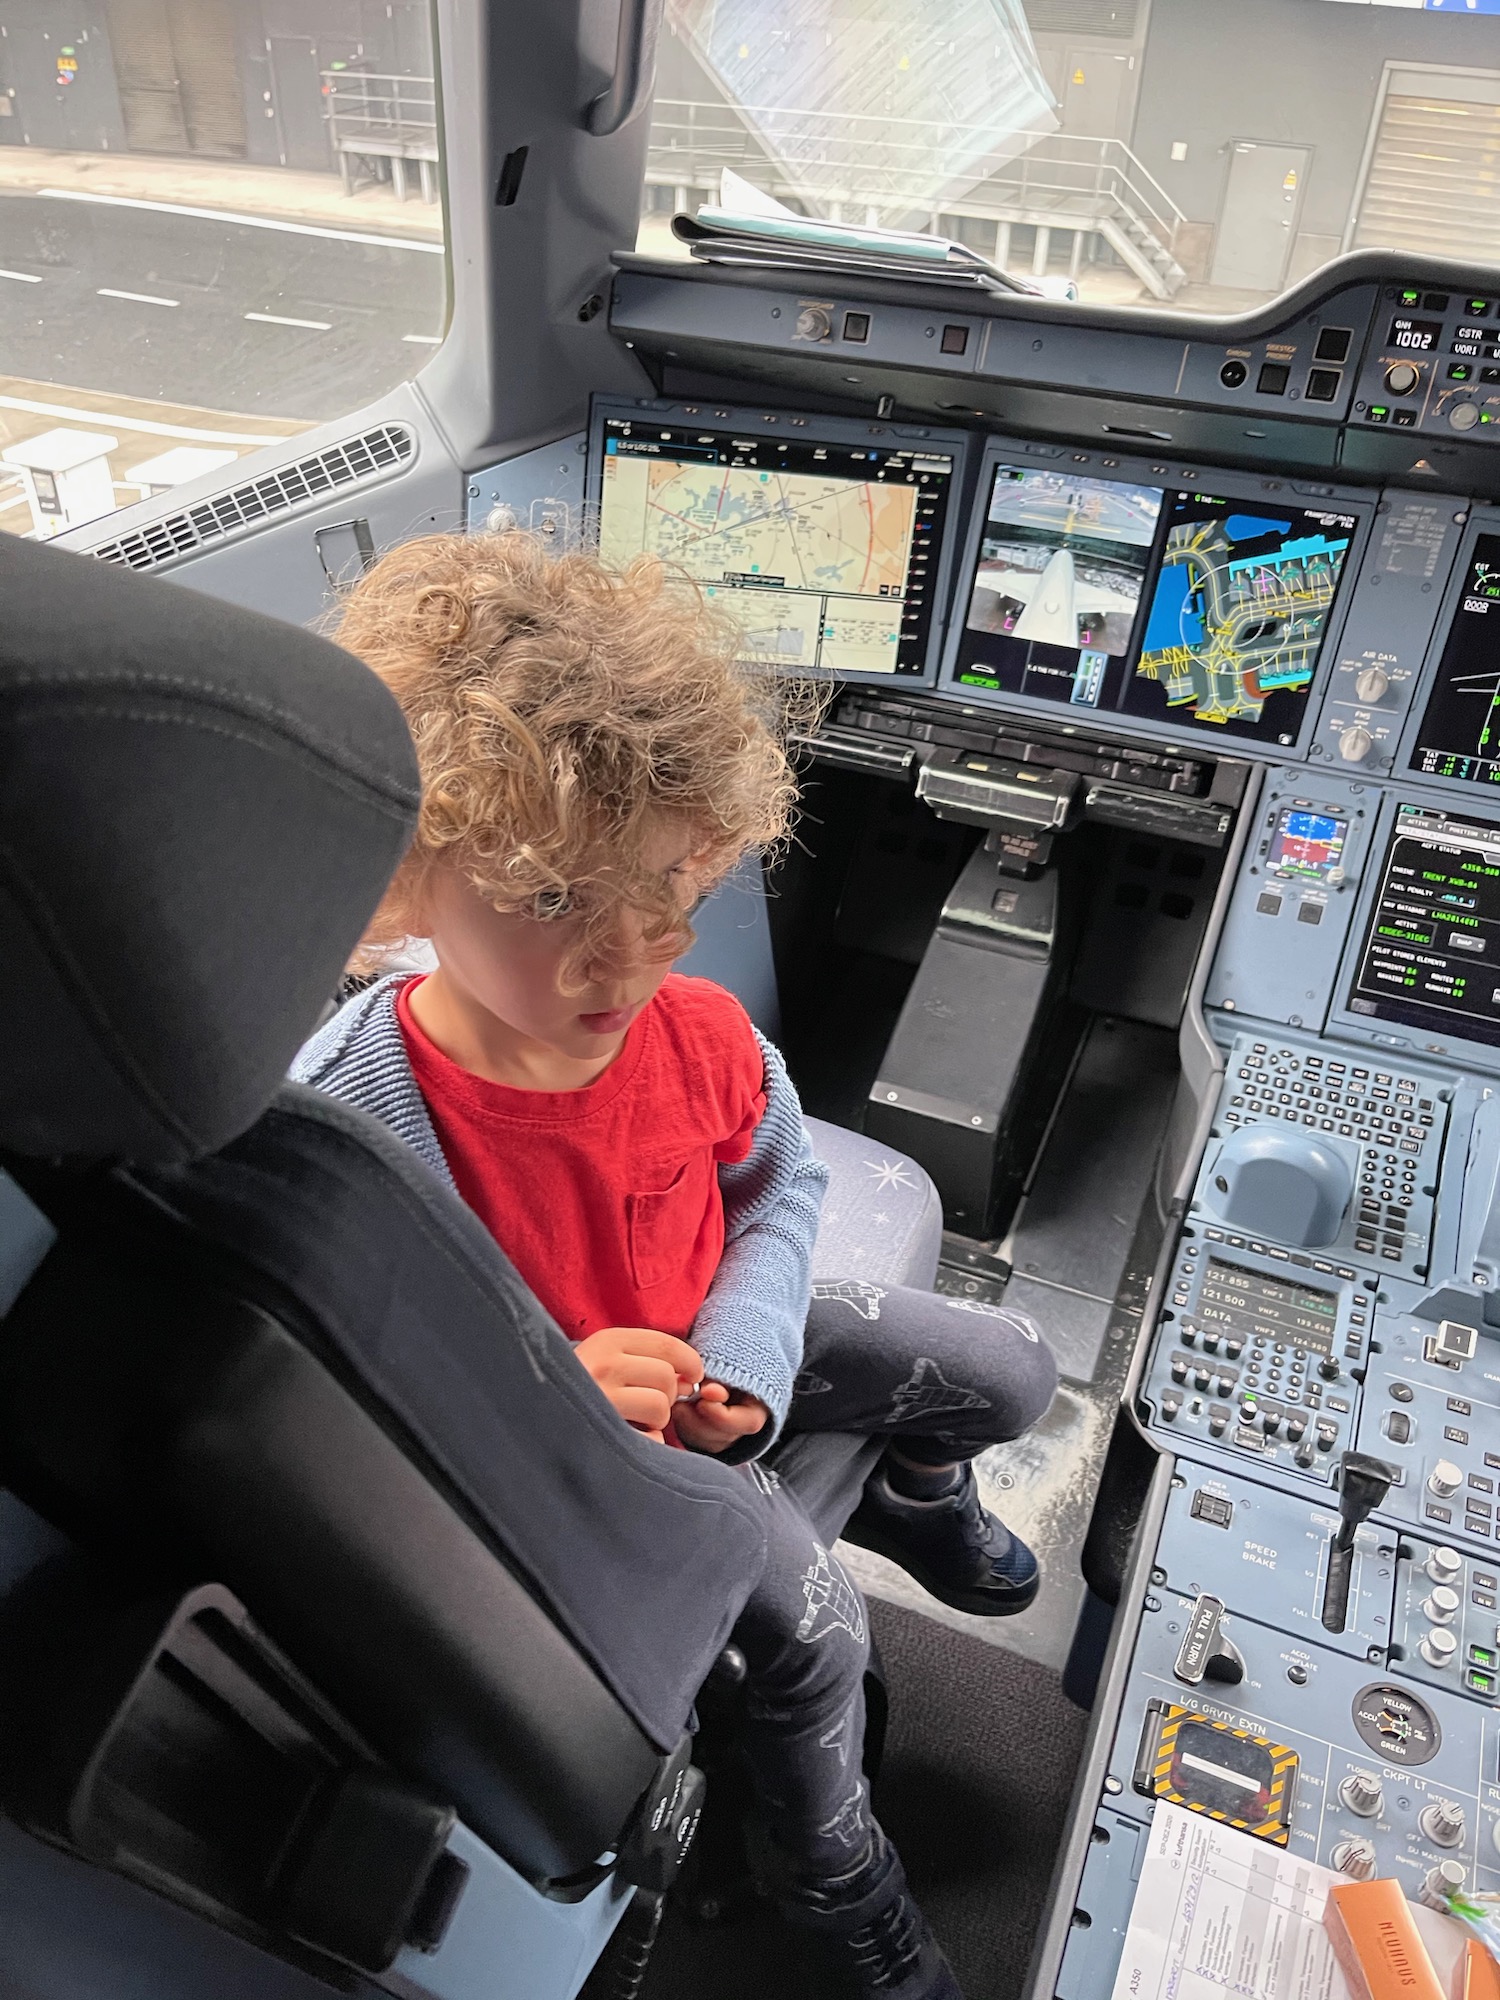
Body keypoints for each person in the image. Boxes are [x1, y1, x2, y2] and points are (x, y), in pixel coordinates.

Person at [293, 532, 1057, 2000]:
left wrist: (753, 1373)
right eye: (548, 903)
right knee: (815, 1646)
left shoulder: (696, 1030)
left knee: (1009, 1371)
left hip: (717, 1352)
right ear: (410, 881)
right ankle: (837, 1884)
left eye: (668, 893)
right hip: (581, 1452)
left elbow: (780, 1192)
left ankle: (912, 1489)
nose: (626, 963)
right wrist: (555, 1396)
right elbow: (363, 1397)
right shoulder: (358, 1117)